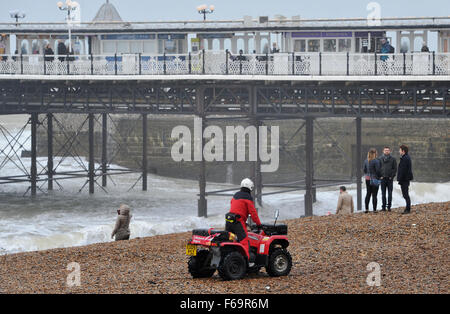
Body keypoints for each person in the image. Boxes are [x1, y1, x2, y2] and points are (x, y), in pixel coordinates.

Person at [225, 178, 262, 259]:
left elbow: (234, 206)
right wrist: (259, 224)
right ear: (250, 188)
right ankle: (248, 262)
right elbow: (253, 213)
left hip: (229, 220)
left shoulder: (235, 195)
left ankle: (228, 258)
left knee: (229, 241)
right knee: (245, 242)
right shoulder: (248, 198)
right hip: (238, 222)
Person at [379, 146, 397, 212]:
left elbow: (395, 169)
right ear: (383, 151)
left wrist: (391, 176)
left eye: (388, 150)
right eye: (385, 150)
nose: (386, 151)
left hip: (389, 179)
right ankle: (383, 207)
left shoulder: (393, 159)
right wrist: (380, 176)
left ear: (390, 151)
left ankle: (389, 206)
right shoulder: (380, 158)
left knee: (390, 193)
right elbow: (378, 168)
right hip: (383, 178)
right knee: (383, 194)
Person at [363, 148, 382, 213]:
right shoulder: (376, 161)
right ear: (375, 153)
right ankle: (374, 210)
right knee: (374, 195)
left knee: (368, 193)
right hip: (374, 178)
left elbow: (364, 170)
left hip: (367, 178)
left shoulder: (366, 161)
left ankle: (366, 209)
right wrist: (380, 177)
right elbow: (378, 171)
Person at [397, 145, 413, 214]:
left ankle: (408, 209)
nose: (399, 151)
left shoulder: (405, 158)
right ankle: (407, 208)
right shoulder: (406, 157)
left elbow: (403, 170)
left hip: (404, 179)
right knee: (405, 194)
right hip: (405, 179)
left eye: (400, 150)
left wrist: (400, 179)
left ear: (403, 151)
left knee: (405, 194)